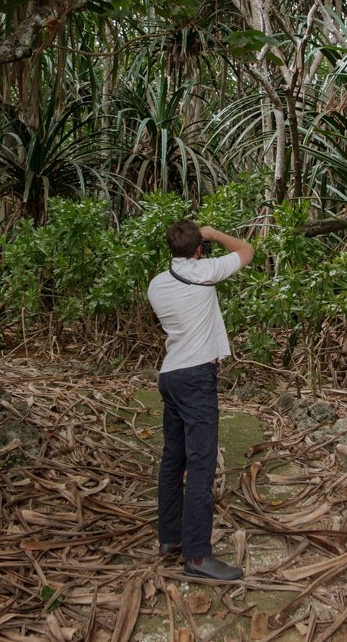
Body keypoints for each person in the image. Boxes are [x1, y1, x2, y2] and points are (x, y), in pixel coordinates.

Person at [147, 219, 254, 582]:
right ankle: (196, 557)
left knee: (172, 460)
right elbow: (246, 250)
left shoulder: (157, 284)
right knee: (201, 465)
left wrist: (196, 243)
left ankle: (169, 538)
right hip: (195, 378)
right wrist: (213, 234)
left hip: (170, 375)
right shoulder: (205, 271)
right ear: (197, 249)